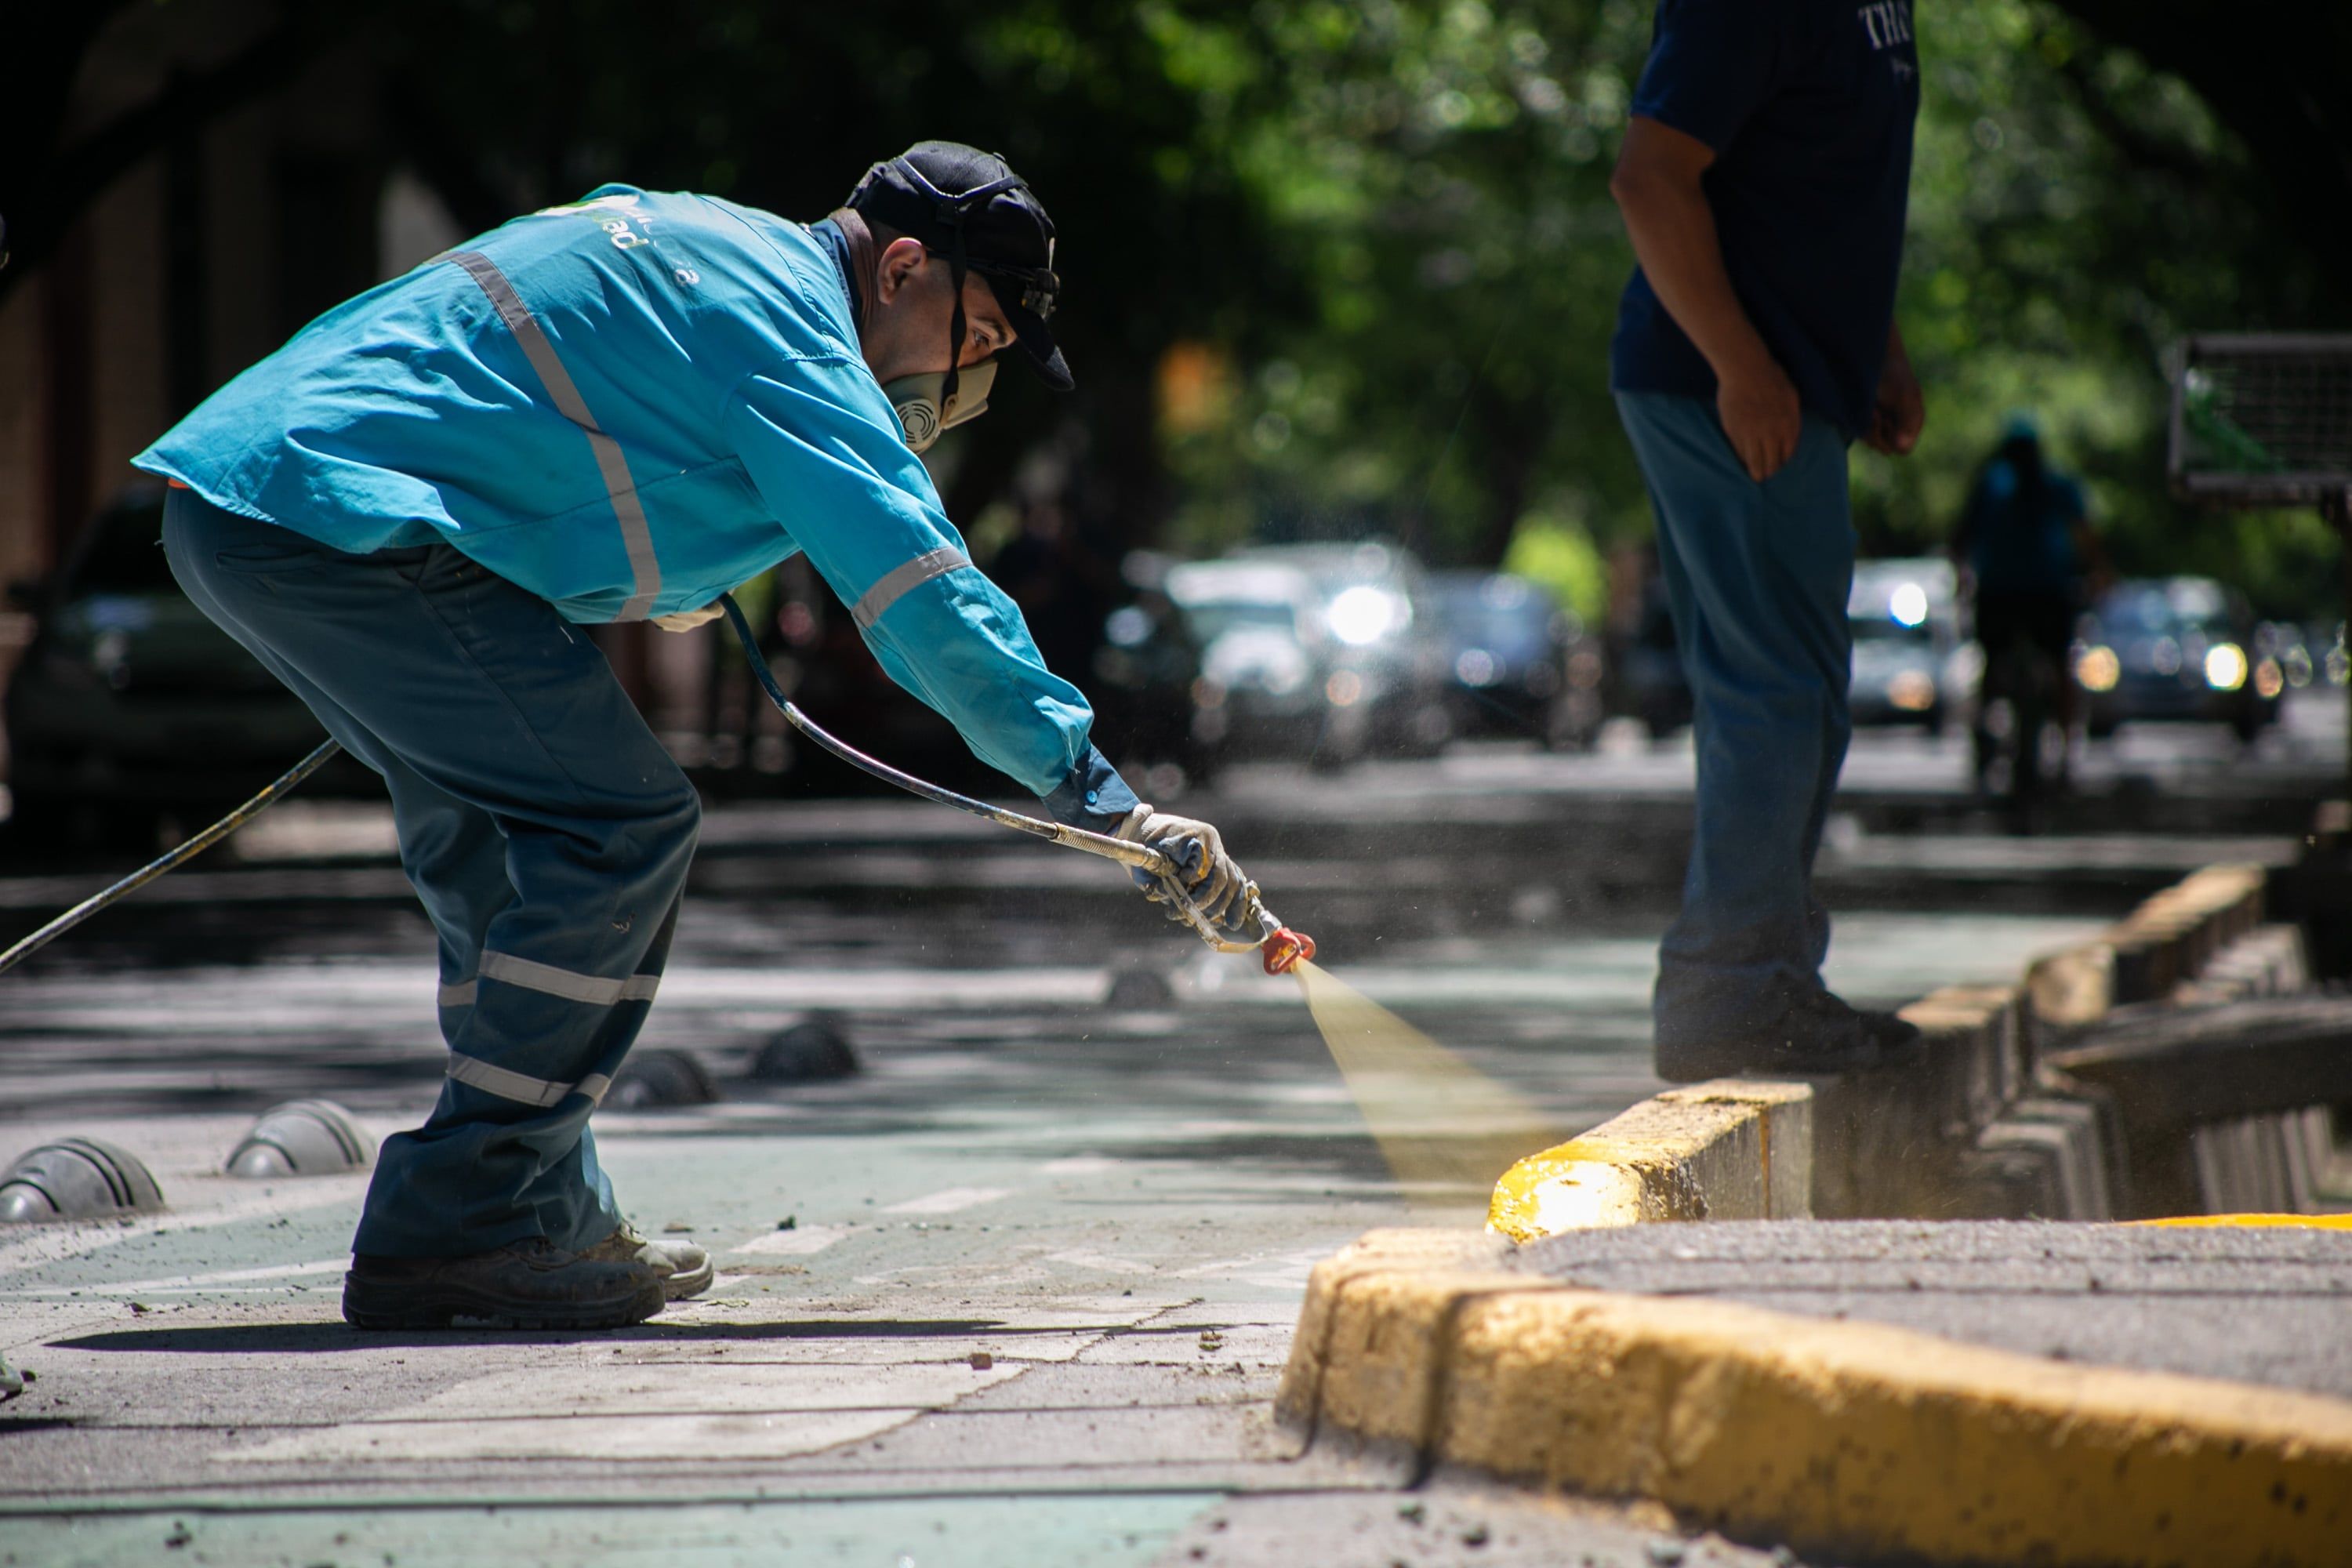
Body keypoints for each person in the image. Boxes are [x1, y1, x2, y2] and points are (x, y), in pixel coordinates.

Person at [133, 143, 1250, 1331]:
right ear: (904, 266)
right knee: (619, 823)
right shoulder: (791, 334)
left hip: (255, 501)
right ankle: (466, 1216)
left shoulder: (719, 252)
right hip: (336, 523)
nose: (968, 380)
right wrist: (1097, 795)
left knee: (507, 849)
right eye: (973, 338)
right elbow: (920, 588)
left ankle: (535, 1214)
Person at [1606, 0, 1927, 1081]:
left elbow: (1820, 188)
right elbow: (1649, 180)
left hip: (1789, 378)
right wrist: (1744, 366)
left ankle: (1765, 981)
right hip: (1733, 384)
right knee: (1776, 691)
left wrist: (1875, 345)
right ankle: (1729, 995)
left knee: (1799, 691)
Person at [1952, 415, 2101, 785]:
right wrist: (2099, 574)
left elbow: (1961, 539)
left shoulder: (1991, 484)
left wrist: (1961, 580)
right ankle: (2067, 753)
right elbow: (2085, 539)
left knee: (1991, 665)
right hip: (2047, 594)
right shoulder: (2056, 483)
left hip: (2001, 594)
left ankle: (1984, 736)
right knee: (2061, 667)